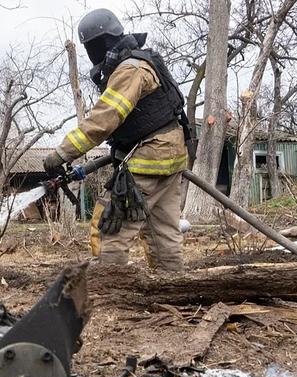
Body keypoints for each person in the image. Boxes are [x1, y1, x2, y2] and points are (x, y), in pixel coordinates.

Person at [43, 8, 189, 271]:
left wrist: (61, 154)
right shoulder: (142, 61)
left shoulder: (128, 69)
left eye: (92, 46)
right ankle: (172, 285)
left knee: (109, 229)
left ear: (103, 42)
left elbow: (103, 120)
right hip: (169, 157)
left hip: (148, 159)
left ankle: (112, 288)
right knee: (163, 233)